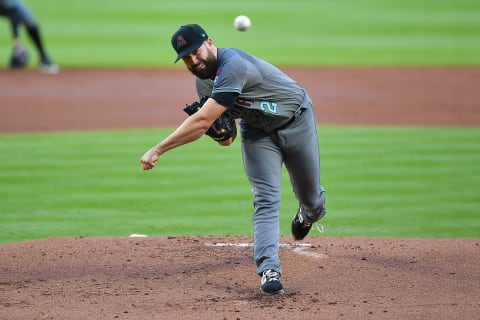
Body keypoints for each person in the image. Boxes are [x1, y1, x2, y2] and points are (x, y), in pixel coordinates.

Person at [140, 24, 327, 295]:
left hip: (296, 120)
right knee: (265, 197)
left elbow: (202, 120)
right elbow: (227, 137)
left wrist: (158, 149)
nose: (193, 60)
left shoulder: (234, 65)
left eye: (195, 52)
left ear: (210, 43)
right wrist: (220, 134)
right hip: (257, 131)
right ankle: (269, 269)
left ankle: (309, 213)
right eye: (186, 58)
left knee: (310, 196)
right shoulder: (203, 82)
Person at [0, 0, 58, 74]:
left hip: (14, 7)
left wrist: (16, 39)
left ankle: (44, 57)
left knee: (31, 22)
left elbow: (14, 14)